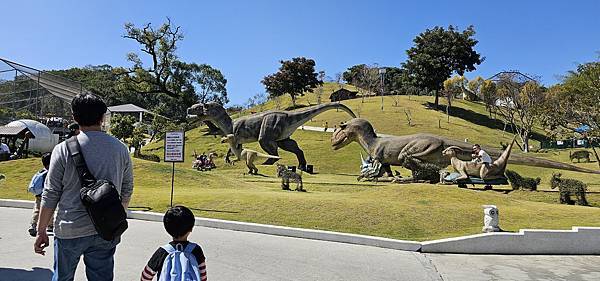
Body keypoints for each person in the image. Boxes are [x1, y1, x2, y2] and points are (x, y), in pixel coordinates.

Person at [34, 93, 134, 281]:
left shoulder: (62, 149)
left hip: (69, 228)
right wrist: (115, 216)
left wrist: (41, 230)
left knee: (62, 277)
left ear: (74, 117)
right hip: (105, 230)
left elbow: (50, 193)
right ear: (102, 118)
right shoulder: (120, 148)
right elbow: (127, 187)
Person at [141, 206, 207, 281]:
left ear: (166, 228)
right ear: (191, 228)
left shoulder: (162, 252)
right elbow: (203, 276)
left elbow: (146, 276)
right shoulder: (196, 250)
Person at [27, 153, 55, 237]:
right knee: (47, 209)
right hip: (46, 195)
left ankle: (50, 225)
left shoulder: (41, 171)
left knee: (39, 209)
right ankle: (33, 224)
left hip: (38, 195)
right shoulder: (49, 172)